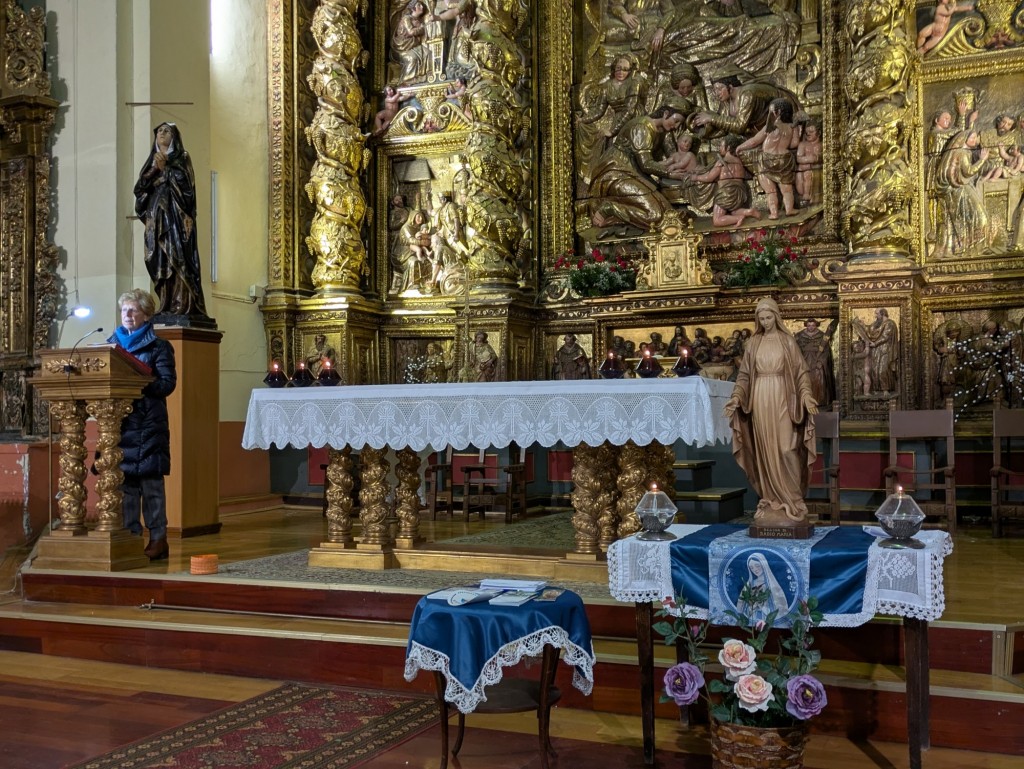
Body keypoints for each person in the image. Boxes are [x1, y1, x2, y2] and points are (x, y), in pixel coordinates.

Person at [724, 297, 817, 526]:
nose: (765, 322)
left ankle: (794, 500)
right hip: (760, 397)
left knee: (787, 447)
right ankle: (770, 498)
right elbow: (744, 375)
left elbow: (801, 372)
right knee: (766, 451)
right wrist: (736, 397)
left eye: (768, 317)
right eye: (761, 318)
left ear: (776, 316)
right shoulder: (753, 343)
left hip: (784, 396)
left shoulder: (787, 341)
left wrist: (806, 395)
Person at [107, 289, 176, 560]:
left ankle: (158, 539)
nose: (128, 315)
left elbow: (167, 383)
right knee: (126, 486)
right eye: (125, 310)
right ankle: (131, 537)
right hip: (119, 423)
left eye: (133, 310)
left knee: (151, 485)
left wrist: (139, 381)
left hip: (148, 424)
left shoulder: (159, 347)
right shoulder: (111, 346)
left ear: (146, 315)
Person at [133, 123, 210, 322]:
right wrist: (153, 172)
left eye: (167, 131)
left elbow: (187, 188)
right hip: (156, 219)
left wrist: (165, 168)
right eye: (159, 131)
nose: (162, 133)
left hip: (176, 218)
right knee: (158, 260)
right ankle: (166, 303)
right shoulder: (151, 161)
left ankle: (182, 304)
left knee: (178, 258)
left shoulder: (181, 158)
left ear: (174, 136)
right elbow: (139, 190)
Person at [737, 97, 800, 219]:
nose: (769, 115)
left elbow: (755, 141)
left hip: (766, 160)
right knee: (786, 189)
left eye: (771, 112)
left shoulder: (770, 126)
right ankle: (789, 209)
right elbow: (794, 144)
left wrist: (740, 146)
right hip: (784, 159)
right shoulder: (793, 127)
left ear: (778, 112)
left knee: (770, 190)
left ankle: (774, 213)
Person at [736, 553, 790, 624]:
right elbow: (741, 606)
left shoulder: (772, 584)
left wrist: (762, 607)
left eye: (757, 566)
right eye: (751, 568)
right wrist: (752, 606)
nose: (755, 570)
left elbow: (780, 609)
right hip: (752, 621)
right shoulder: (750, 584)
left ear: (764, 565)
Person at [795, 318, 836, 408]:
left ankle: (820, 402)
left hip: (818, 361)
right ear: (806, 325)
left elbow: (826, 351)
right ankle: (805, 401)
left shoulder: (822, 336)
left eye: (813, 325)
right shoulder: (799, 336)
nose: (811, 327)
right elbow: (795, 350)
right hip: (804, 360)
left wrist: (821, 362)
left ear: (816, 325)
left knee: (819, 379)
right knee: (805, 380)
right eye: (809, 325)